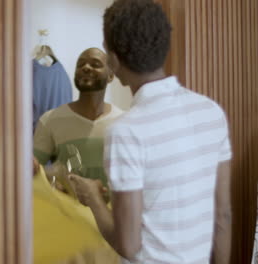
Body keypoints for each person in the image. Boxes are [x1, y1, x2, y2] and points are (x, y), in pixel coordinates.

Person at [69, 1, 233, 264]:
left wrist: (93, 200)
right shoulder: (210, 112)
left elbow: (129, 245)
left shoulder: (125, 132)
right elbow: (222, 215)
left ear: (113, 61)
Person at [33, 48, 124, 194]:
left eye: (95, 64)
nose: (86, 68)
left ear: (111, 75)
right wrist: (51, 181)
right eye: (80, 65)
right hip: (67, 214)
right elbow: (33, 171)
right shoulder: (50, 120)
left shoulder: (124, 122)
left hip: (113, 215)